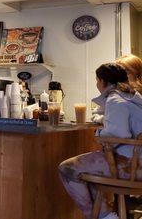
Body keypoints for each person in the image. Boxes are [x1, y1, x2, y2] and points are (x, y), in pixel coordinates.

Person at [58, 63, 142, 219]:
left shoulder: (114, 98)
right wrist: (104, 120)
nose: (97, 84)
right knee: (91, 172)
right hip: (138, 164)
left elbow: (119, 134)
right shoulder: (131, 97)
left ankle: (99, 217)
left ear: (103, 81)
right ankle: (105, 215)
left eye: (97, 80)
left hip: (131, 166)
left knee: (67, 169)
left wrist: (99, 133)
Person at [92, 54, 142, 124]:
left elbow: (118, 120)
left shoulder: (133, 96)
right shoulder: (117, 92)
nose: (119, 76)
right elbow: (99, 112)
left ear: (138, 75)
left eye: (125, 72)